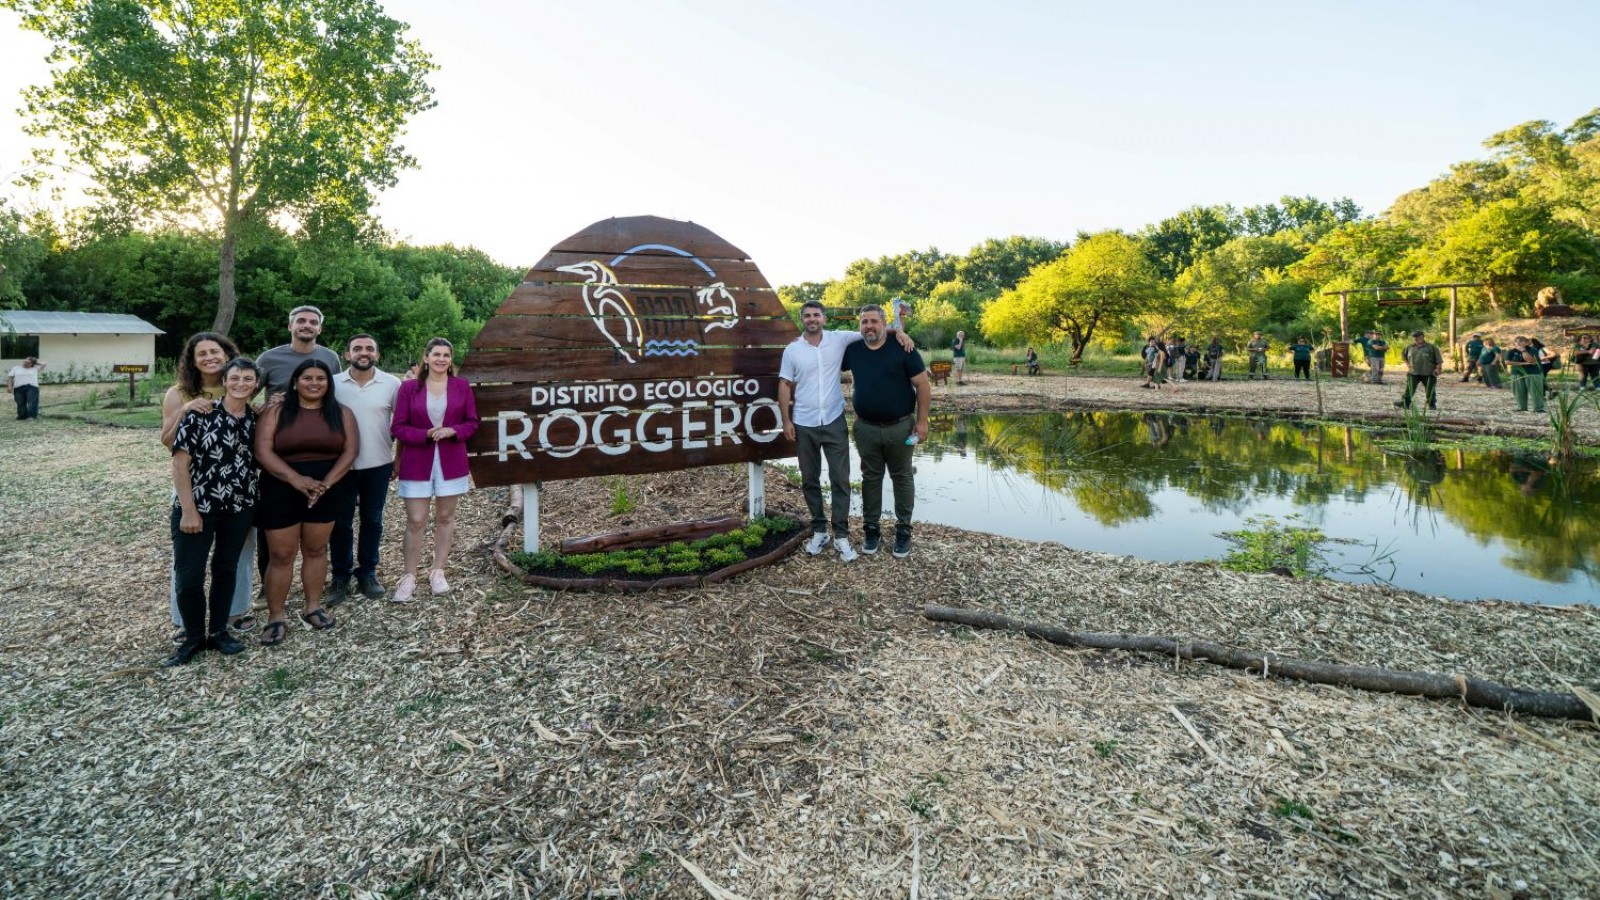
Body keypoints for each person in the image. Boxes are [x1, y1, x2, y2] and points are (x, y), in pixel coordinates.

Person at [778, 301, 914, 562]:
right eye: (807, 315)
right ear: (802, 319)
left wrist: (900, 331)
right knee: (810, 479)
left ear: (824, 318)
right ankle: (820, 531)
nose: (812, 319)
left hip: (833, 421)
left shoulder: (840, 339)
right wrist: (786, 421)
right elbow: (784, 385)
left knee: (841, 479)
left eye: (816, 315)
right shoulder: (792, 350)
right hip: (804, 422)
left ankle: (841, 535)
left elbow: (874, 331)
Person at [254, 359, 359, 645]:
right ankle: (276, 616)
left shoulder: (341, 413)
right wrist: (295, 479)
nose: (314, 383)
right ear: (296, 382)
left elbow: (350, 451)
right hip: (281, 486)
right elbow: (263, 450)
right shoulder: (276, 411)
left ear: (329, 383)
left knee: (316, 549)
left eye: (320, 378)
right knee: (282, 555)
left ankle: (312, 607)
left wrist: (326, 483)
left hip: (325, 488)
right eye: (308, 378)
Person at [166, 357, 262, 666]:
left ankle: (219, 630)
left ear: (255, 385)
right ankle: (194, 636)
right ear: (225, 380)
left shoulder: (255, 419)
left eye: (248, 379)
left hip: (239, 506)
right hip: (199, 506)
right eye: (235, 378)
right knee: (189, 574)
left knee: (226, 568)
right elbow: (180, 464)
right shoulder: (201, 413)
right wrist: (188, 510)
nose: (241, 384)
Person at [391, 338, 479, 603]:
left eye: (446, 355)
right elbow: (398, 427)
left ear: (451, 360)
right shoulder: (408, 388)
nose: (441, 359)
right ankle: (408, 576)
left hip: (451, 460)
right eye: (436, 354)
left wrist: (454, 430)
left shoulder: (461, 386)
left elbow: (473, 422)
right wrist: (425, 434)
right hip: (418, 460)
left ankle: (438, 571)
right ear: (426, 358)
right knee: (416, 519)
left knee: (445, 516)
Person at [842, 304, 931, 559]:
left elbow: (923, 385)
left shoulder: (903, 348)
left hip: (901, 427)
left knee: (902, 477)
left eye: (874, 321)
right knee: (870, 478)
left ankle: (903, 531)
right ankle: (872, 529)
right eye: (864, 322)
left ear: (884, 324)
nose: (869, 326)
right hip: (866, 429)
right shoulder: (853, 350)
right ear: (859, 326)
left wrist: (922, 422)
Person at [328, 333, 402, 605]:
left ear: (377, 355)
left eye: (369, 348)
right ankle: (340, 576)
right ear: (347, 354)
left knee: (373, 520)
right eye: (357, 348)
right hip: (341, 468)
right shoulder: (333, 384)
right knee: (341, 524)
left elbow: (401, 424)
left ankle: (368, 572)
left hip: (378, 464)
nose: (363, 352)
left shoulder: (392, 384)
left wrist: (399, 459)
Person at [256, 305, 342, 400]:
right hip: (279, 414)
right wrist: (258, 412)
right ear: (290, 326)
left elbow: (337, 395)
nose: (307, 325)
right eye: (301, 321)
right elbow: (247, 394)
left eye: (313, 323)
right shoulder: (268, 358)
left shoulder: (331, 358)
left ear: (319, 329)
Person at [1396, 330, 1443, 410]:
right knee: (1409, 389)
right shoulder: (1409, 347)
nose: (1416, 339)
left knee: (1430, 390)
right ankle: (1405, 403)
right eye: (1414, 337)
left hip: (1428, 373)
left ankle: (1432, 405)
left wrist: (1438, 369)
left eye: (1418, 337)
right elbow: (1404, 356)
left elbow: (1439, 360)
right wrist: (1408, 365)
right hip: (1413, 372)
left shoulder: (1431, 347)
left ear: (1422, 337)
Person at [1505, 336, 1546, 413]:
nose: (1518, 343)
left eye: (1521, 341)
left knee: (1536, 391)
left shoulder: (1533, 350)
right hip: (1517, 373)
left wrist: (1523, 351)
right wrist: (1523, 363)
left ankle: (1538, 408)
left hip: (1533, 373)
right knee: (1519, 391)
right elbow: (1507, 362)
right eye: (1516, 341)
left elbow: (1530, 360)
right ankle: (1522, 408)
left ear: (1527, 343)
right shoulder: (1511, 351)